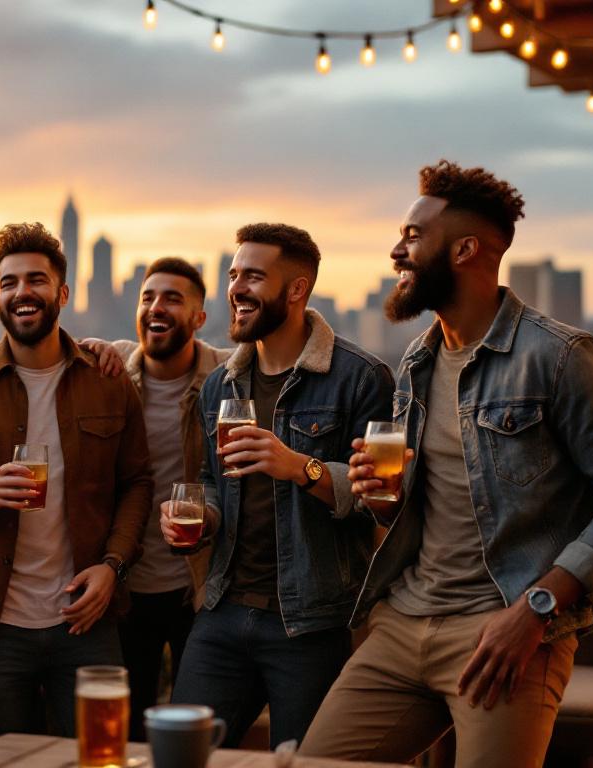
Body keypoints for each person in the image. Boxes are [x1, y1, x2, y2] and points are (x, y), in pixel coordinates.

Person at [300, 161, 593, 767]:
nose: (397, 250)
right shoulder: (417, 363)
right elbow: (422, 505)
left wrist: (536, 610)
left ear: (467, 249)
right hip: (402, 621)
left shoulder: (559, 357)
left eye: (414, 236)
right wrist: (381, 494)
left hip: (507, 631)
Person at [167, 223, 393, 750]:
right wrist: (203, 517)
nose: (236, 289)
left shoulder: (360, 379)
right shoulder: (220, 385)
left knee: (306, 762)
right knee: (179, 754)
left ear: (296, 289)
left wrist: (300, 467)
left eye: (252, 276)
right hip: (222, 612)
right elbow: (213, 481)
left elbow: (381, 501)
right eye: (232, 275)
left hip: (309, 623)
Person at [0, 222, 153, 744]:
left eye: (37, 280)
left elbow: (137, 483)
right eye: (9, 283)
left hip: (87, 622)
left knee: (101, 756)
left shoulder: (108, 380)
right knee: (1, 761)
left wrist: (112, 567)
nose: (22, 293)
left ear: (63, 292)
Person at [83, 257, 231, 741]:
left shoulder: (227, 377)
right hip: (124, 586)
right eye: (148, 297)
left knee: (192, 730)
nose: (156, 307)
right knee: (127, 732)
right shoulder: (113, 371)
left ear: (199, 317)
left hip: (199, 588)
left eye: (172, 298)